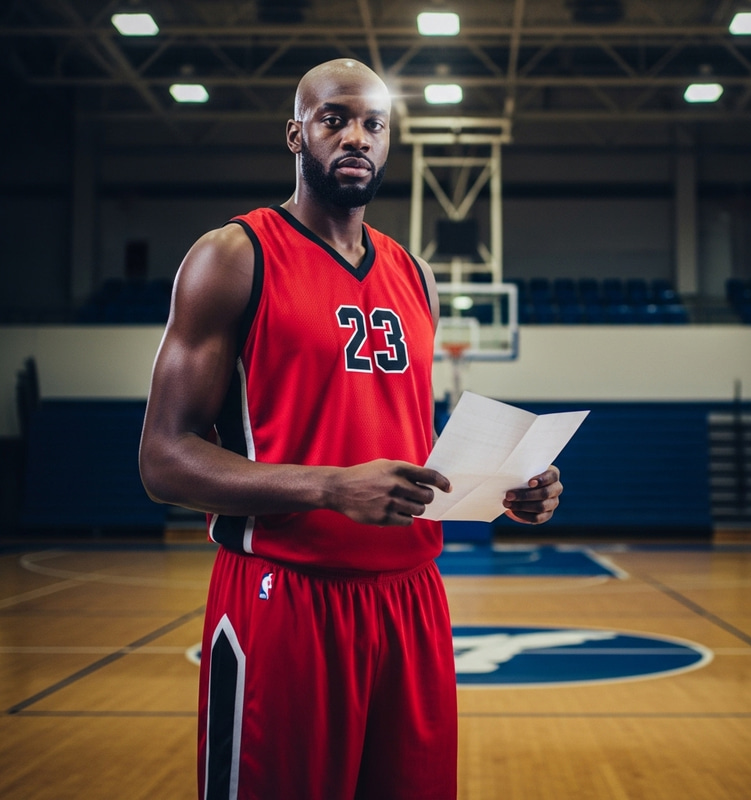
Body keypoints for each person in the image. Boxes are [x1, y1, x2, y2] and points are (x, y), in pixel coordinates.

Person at [139, 58, 563, 800]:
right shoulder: (234, 256)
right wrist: (329, 487)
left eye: (374, 124)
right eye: (335, 118)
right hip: (283, 595)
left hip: (411, 599)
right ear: (296, 133)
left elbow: (404, 442)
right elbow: (162, 459)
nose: (356, 136)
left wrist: (505, 487)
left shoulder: (414, 274)